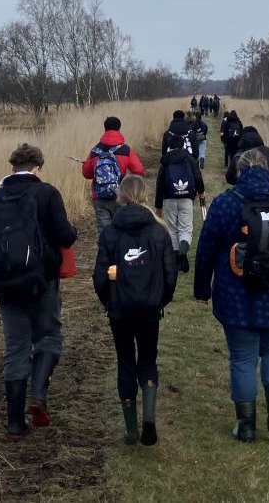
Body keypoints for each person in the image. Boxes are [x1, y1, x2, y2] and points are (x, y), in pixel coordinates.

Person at [195, 149, 269, 444]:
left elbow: (206, 248)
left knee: (242, 359)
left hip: (235, 297)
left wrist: (201, 288)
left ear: (239, 170)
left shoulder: (224, 203)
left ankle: (246, 426)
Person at [0, 143, 79, 441]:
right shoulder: (47, 193)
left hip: (6, 288)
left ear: (12, 166)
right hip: (42, 283)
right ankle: (39, 397)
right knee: (49, 337)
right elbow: (65, 235)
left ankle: (16, 424)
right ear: (38, 167)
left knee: (16, 348)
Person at [94, 175, 179, 446]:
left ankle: (131, 428)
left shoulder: (110, 232)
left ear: (120, 196)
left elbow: (99, 276)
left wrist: (109, 301)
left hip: (119, 310)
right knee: (148, 360)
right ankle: (149, 417)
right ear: (144, 196)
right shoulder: (159, 231)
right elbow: (170, 274)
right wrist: (160, 301)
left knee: (125, 362)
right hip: (149, 310)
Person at [83, 116, 146, 234]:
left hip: (99, 197)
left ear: (105, 129)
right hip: (120, 196)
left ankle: (106, 252)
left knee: (104, 233)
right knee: (122, 229)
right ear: (119, 128)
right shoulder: (125, 150)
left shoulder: (95, 151)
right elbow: (139, 170)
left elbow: (86, 173)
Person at [156, 128, 206, 268]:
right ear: (184, 145)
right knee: (185, 228)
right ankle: (183, 254)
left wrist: (158, 205)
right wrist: (201, 191)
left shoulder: (165, 161)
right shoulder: (189, 159)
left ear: (170, 146)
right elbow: (197, 176)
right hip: (187, 198)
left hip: (169, 198)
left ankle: (175, 256)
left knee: (171, 228)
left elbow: (159, 184)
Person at [224, 126, 269, 191]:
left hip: (245, 196)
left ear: (242, 139)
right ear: (258, 137)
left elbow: (230, 178)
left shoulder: (237, 155)